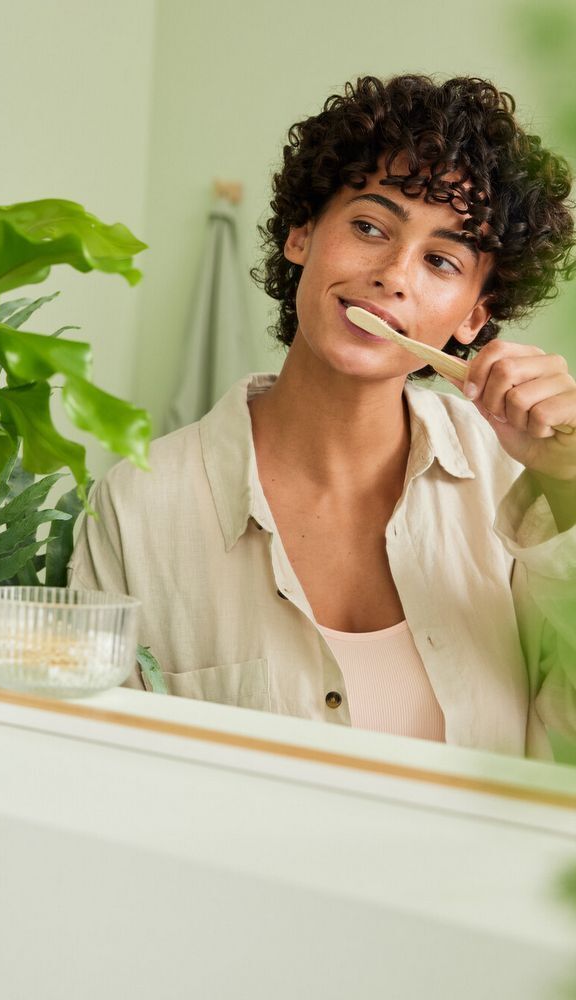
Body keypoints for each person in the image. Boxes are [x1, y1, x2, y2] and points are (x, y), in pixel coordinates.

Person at [68, 74, 576, 760]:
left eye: (441, 260)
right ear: (302, 234)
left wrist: (568, 486)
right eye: (369, 227)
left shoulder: (523, 486)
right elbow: (96, 766)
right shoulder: (137, 508)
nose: (395, 273)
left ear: (473, 318)